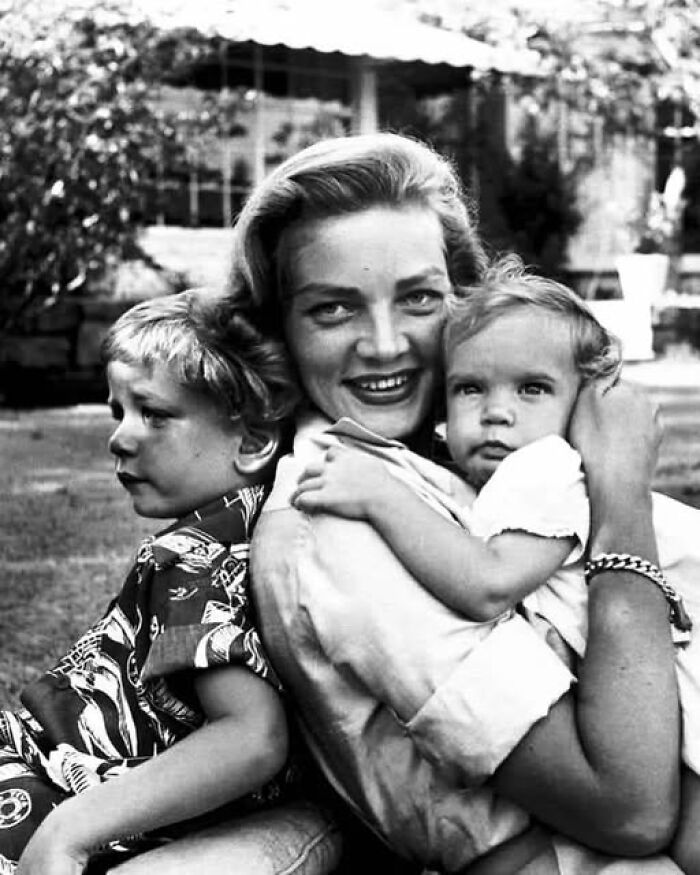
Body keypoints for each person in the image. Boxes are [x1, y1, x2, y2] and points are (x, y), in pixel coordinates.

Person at [223, 132, 684, 874]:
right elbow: (629, 808)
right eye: (333, 309)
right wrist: (622, 492)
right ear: (279, 332)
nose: (383, 345)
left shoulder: (446, 461)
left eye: (419, 299)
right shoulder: (342, 525)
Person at [290, 254, 700, 872]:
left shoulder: (548, 470)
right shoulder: (514, 477)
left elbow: (487, 583)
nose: (497, 411)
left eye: (531, 388)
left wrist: (380, 495)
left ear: (585, 407)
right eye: (470, 388)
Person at [0, 291, 341, 875]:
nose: (121, 437)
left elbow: (251, 737)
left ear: (255, 439)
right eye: (119, 412)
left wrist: (68, 834)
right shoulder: (263, 529)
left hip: (41, 785)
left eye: (154, 413)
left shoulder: (192, 558)